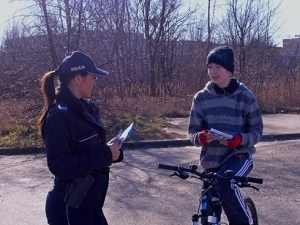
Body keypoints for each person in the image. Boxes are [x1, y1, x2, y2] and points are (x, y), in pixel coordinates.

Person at [38, 51, 123, 225]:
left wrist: (112, 151)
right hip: (69, 208)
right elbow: (60, 165)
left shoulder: (85, 108)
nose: (94, 83)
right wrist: (106, 154)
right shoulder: (59, 117)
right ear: (78, 78)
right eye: (92, 78)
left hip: (88, 205)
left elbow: (86, 150)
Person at [188, 46, 263, 225]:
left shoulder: (245, 96)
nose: (213, 71)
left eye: (218, 67)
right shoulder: (201, 98)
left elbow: (257, 131)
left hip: (239, 156)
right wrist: (201, 137)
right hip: (211, 161)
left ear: (229, 70)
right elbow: (192, 133)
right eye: (210, 66)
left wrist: (239, 139)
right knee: (208, 211)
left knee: (225, 183)